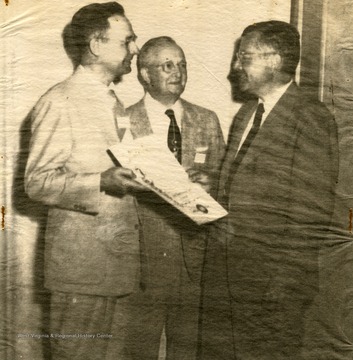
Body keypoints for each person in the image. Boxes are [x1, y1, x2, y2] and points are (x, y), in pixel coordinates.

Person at [201, 21, 339, 359]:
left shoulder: (310, 116)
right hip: (226, 275)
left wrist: (283, 285)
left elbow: (313, 212)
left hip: (273, 285)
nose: (234, 68)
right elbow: (239, 189)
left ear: (274, 60)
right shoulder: (246, 114)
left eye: (243, 57)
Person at [24, 3, 144, 359]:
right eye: (127, 41)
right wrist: (101, 182)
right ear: (96, 45)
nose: (135, 49)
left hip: (116, 268)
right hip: (81, 271)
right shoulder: (60, 100)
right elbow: (36, 181)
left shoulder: (112, 100)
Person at [125, 36, 225, 360]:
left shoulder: (207, 120)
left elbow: (226, 183)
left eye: (182, 64)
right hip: (141, 264)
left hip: (194, 261)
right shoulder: (123, 121)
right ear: (143, 73)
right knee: (137, 351)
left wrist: (213, 184)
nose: (177, 72)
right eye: (167, 65)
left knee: (188, 351)